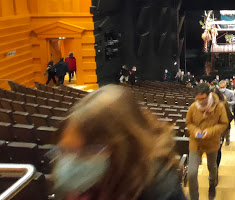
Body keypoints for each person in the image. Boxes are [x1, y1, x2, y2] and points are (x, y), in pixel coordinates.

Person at [50, 85, 186, 200]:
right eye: (66, 150)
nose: (70, 163)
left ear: (122, 148)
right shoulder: (82, 186)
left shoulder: (161, 190)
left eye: (86, 152)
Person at [186, 83, 228, 200]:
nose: (201, 101)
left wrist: (209, 131)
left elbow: (224, 124)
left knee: (212, 167)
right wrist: (195, 130)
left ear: (209, 95)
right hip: (196, 143)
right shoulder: (194, 107)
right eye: (198, 99)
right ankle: (194, 197)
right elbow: (189, 123)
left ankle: (212, 185)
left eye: (203, 99)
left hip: (211, 142)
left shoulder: (219, 107)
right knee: (192, 173)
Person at [213, 87, 233, 168]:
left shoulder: (224, 104)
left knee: (217, 150)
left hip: (220, 131)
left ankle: (216, 168)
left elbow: (230, 117)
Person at [219, 80, 235, 146]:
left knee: (227, 126)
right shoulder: (217, 92)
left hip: (227, 111)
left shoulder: (230, 92)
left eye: (223, 87)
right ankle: (221, 138)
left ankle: (227, 138)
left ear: (225, 86)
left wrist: (226, 103)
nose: (222, 89)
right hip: (219, 111)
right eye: (220, 87)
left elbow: (234, 101)